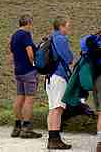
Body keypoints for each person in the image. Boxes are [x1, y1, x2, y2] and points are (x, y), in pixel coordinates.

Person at [9, 15, 42, 139]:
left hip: (18, 71)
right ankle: (26, 128)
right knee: (29, 99)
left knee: (19, 97)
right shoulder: (25, 34)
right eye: (31, 24)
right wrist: (35, 65)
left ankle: (17, 126)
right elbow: (30, 52)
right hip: (28, 71)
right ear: (28, 23)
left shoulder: (14, 35)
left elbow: (12, 54)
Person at [46, 17, 74, 150]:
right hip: (59, 76)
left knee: (52, 109)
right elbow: (68, 58)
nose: (69, 28)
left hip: (50, 77)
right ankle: (55, 140)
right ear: (61, 26)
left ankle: (52, 138)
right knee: (58, 109)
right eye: (67, 26)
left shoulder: (51, 37)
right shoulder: (61, 39)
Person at [83, 31, 101, 152]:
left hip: (95, 80)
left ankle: (100, 143)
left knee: (100, 112)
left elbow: (84, 42)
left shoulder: (91, 40)